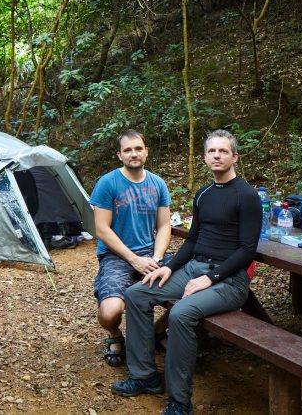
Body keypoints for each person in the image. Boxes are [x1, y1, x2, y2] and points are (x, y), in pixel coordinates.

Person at [111, 129, 262, 415]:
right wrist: (168, 267)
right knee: (137, 293)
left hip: (229, 280)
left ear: (234, 157)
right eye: (212, 151)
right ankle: (145, 377)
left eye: (223, 151)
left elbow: (246, 251)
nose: (217, 156)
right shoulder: (203, 193)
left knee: (181, 314)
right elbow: (192, 241)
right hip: (194, 268)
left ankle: (180, 402)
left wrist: (210, 278)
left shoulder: (247, 196)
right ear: (205, 157)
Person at [90, 129, 172, 367]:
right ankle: (115, 336)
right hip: (116, 256)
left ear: (146, 152)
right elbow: (102, 229)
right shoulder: (108, 183)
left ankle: (158, 330)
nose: (133, 154)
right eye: (128, 150)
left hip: (151, 254)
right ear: (119, 155)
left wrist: (156, 257)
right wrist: (134, 259)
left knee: (195, 288)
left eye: (138, 149)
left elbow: (164, 225)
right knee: (109, 312)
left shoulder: (158, 184)